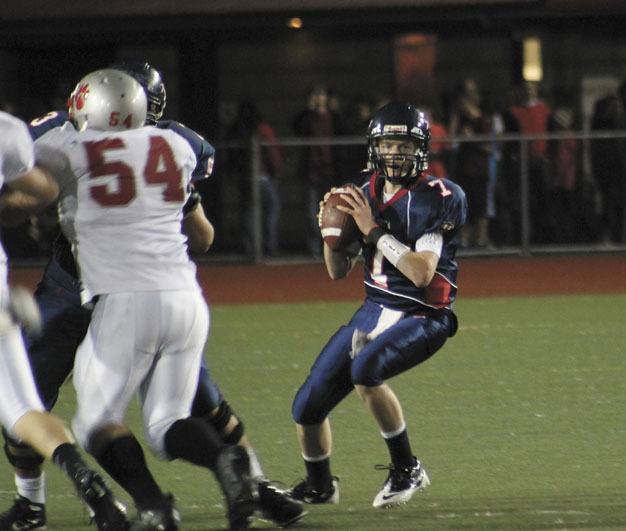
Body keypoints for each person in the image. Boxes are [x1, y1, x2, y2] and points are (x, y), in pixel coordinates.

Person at [1, 62, 304, 530]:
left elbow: (26, 200)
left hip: (119, 296)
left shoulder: (65, 144)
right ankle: (231, 473)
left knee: (80, 419)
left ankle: (161, 504)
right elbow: (198, 234)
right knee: (168, 423)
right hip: (175, 294)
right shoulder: (176, 146)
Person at [289, 102, 467, 508]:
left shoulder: (439, 196)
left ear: (420, 148)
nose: (395, 153)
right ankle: (320, 486)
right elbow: (337, 272)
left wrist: (372, 231)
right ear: (375, 147)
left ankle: (408, 468)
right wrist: (331, 237)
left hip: (425, 314)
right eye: (388, 144)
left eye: (404, 145)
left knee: (366, 369)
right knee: (307, 406)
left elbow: (422, 274)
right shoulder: (358, 192)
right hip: (374, 309)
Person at [0, 110, 130, 530]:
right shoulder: (6, 130)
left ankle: (33, 506)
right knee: (23, 408)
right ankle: (89, 484)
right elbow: (41, 188)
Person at [293, 84, 347, 257]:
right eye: (315, 95)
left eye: (321, 95)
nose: (318, 99)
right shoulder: (307, 118)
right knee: (311, 212)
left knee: (333, 211)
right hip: (311, 171)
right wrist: (308, 110)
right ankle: (315, 248)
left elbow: (345, 132)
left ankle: (332, 246)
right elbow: (296, 128)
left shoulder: (335, 117)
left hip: (330, 171)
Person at [224, 100, 282, 256]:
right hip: (262, 177)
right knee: (270, 210)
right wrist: (275, 171)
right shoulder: (261, 129)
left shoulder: (236, 129)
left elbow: (230, 156)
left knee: (249, 212)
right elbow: (272, 153)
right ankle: (268, 247)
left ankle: (251, 248)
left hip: (245, 178)